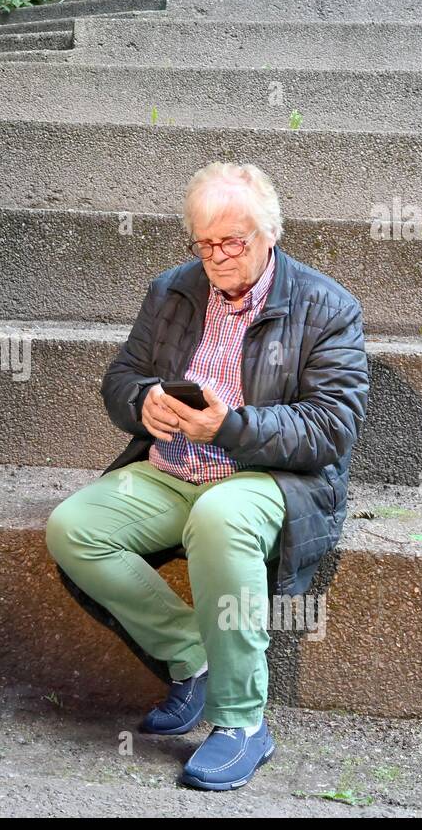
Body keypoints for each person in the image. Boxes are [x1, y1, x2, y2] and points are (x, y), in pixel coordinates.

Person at [45, 162, 368, 790]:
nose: (217, 257)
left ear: (269, 233)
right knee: (73, 527)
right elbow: (119, 379)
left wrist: (228, 427)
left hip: (267, 476)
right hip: (172, 469)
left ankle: (243, 721)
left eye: (233, 242)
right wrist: (143, 403)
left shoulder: (327, 306)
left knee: (220, 520)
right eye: (204, 242)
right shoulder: (172, 290)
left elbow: (332, 429)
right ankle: (194, 655)